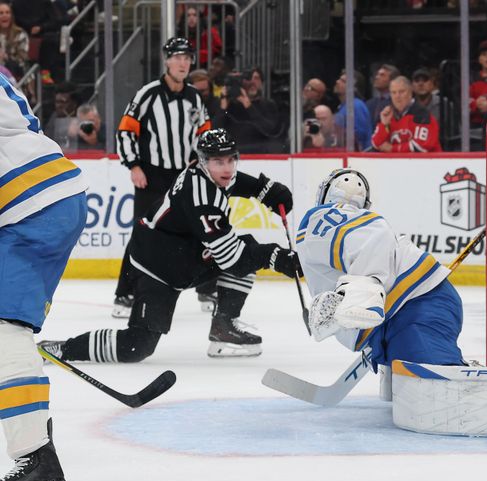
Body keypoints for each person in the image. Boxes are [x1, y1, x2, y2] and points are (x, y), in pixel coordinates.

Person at [38, 129, 301, 363]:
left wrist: (265, 190)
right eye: (219, 161)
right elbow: (231, 259)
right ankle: (63, 349)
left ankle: (224, 329)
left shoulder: (212, 174)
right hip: (157, 266)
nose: (228, 168)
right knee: (136, 346)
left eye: (232, 159)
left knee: (248, 247)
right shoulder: (200, 197)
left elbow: (236, 181)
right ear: (202, 162)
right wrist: (277, 258)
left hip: (184, 254)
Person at [0, 72, 86, 481]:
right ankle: (35, 448)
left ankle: (37, 463)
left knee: (3, 328)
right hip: (48, 196)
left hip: (31, 206)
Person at [297, 168, 465, 373]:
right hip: (405, 310)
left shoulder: (319, 219)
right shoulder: (331, 225)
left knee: (436, 381)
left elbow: (369, 234)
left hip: (417, 306)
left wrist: (363, 294)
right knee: (409, 380)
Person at [114, 37, 211, 318]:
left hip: (182, 175)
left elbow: (204, 132)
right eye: (178, 57)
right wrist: (133, 165)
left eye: (187, 57)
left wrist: (200, 160)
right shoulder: (148, 94)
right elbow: (125, 131)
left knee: (198, 229)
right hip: (151, 175)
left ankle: (206, 289)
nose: (183, 62)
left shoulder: (194, 96)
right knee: (144, 235)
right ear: (167, 60)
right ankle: (125, 293)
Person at [213, 70, 285, 153]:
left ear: (262, 83)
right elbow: (215, 132)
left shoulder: (268, 104)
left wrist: (248, 106)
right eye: (248, 79)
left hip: (260, 153)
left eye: (256, 78)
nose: (252, 82)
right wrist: (223, 108)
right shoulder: (227, 105)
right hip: (233, 154)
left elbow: (270, 130)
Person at [371, 76, 441, 152]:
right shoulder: (387, 114)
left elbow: (421, 146)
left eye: (401, 92)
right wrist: (384, 125)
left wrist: (392, 148)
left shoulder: (422, 114)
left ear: (410, 92)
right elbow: (376, 144)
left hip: (426, 163)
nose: (397, 96)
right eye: (393, 92)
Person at [332, 70, 372, 151]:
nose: (337, 81)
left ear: (354, 88)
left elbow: (358, 137)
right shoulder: (344, 106)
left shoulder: (356, 106)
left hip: (356, 159)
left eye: (343, 81)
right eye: (339, 79)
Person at [365, 64, 400, 129]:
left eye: (382, 75)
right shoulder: (369, 103)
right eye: (377, 74)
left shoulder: (398, 103)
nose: (377, 77)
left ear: (392, 81)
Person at [0, 1, 28, 77]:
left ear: (11, 16)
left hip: (16, 71)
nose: (4, 15)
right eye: (1, 13)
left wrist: (5, 57)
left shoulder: (20, 34)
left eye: (7, 12)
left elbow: (22, 59)